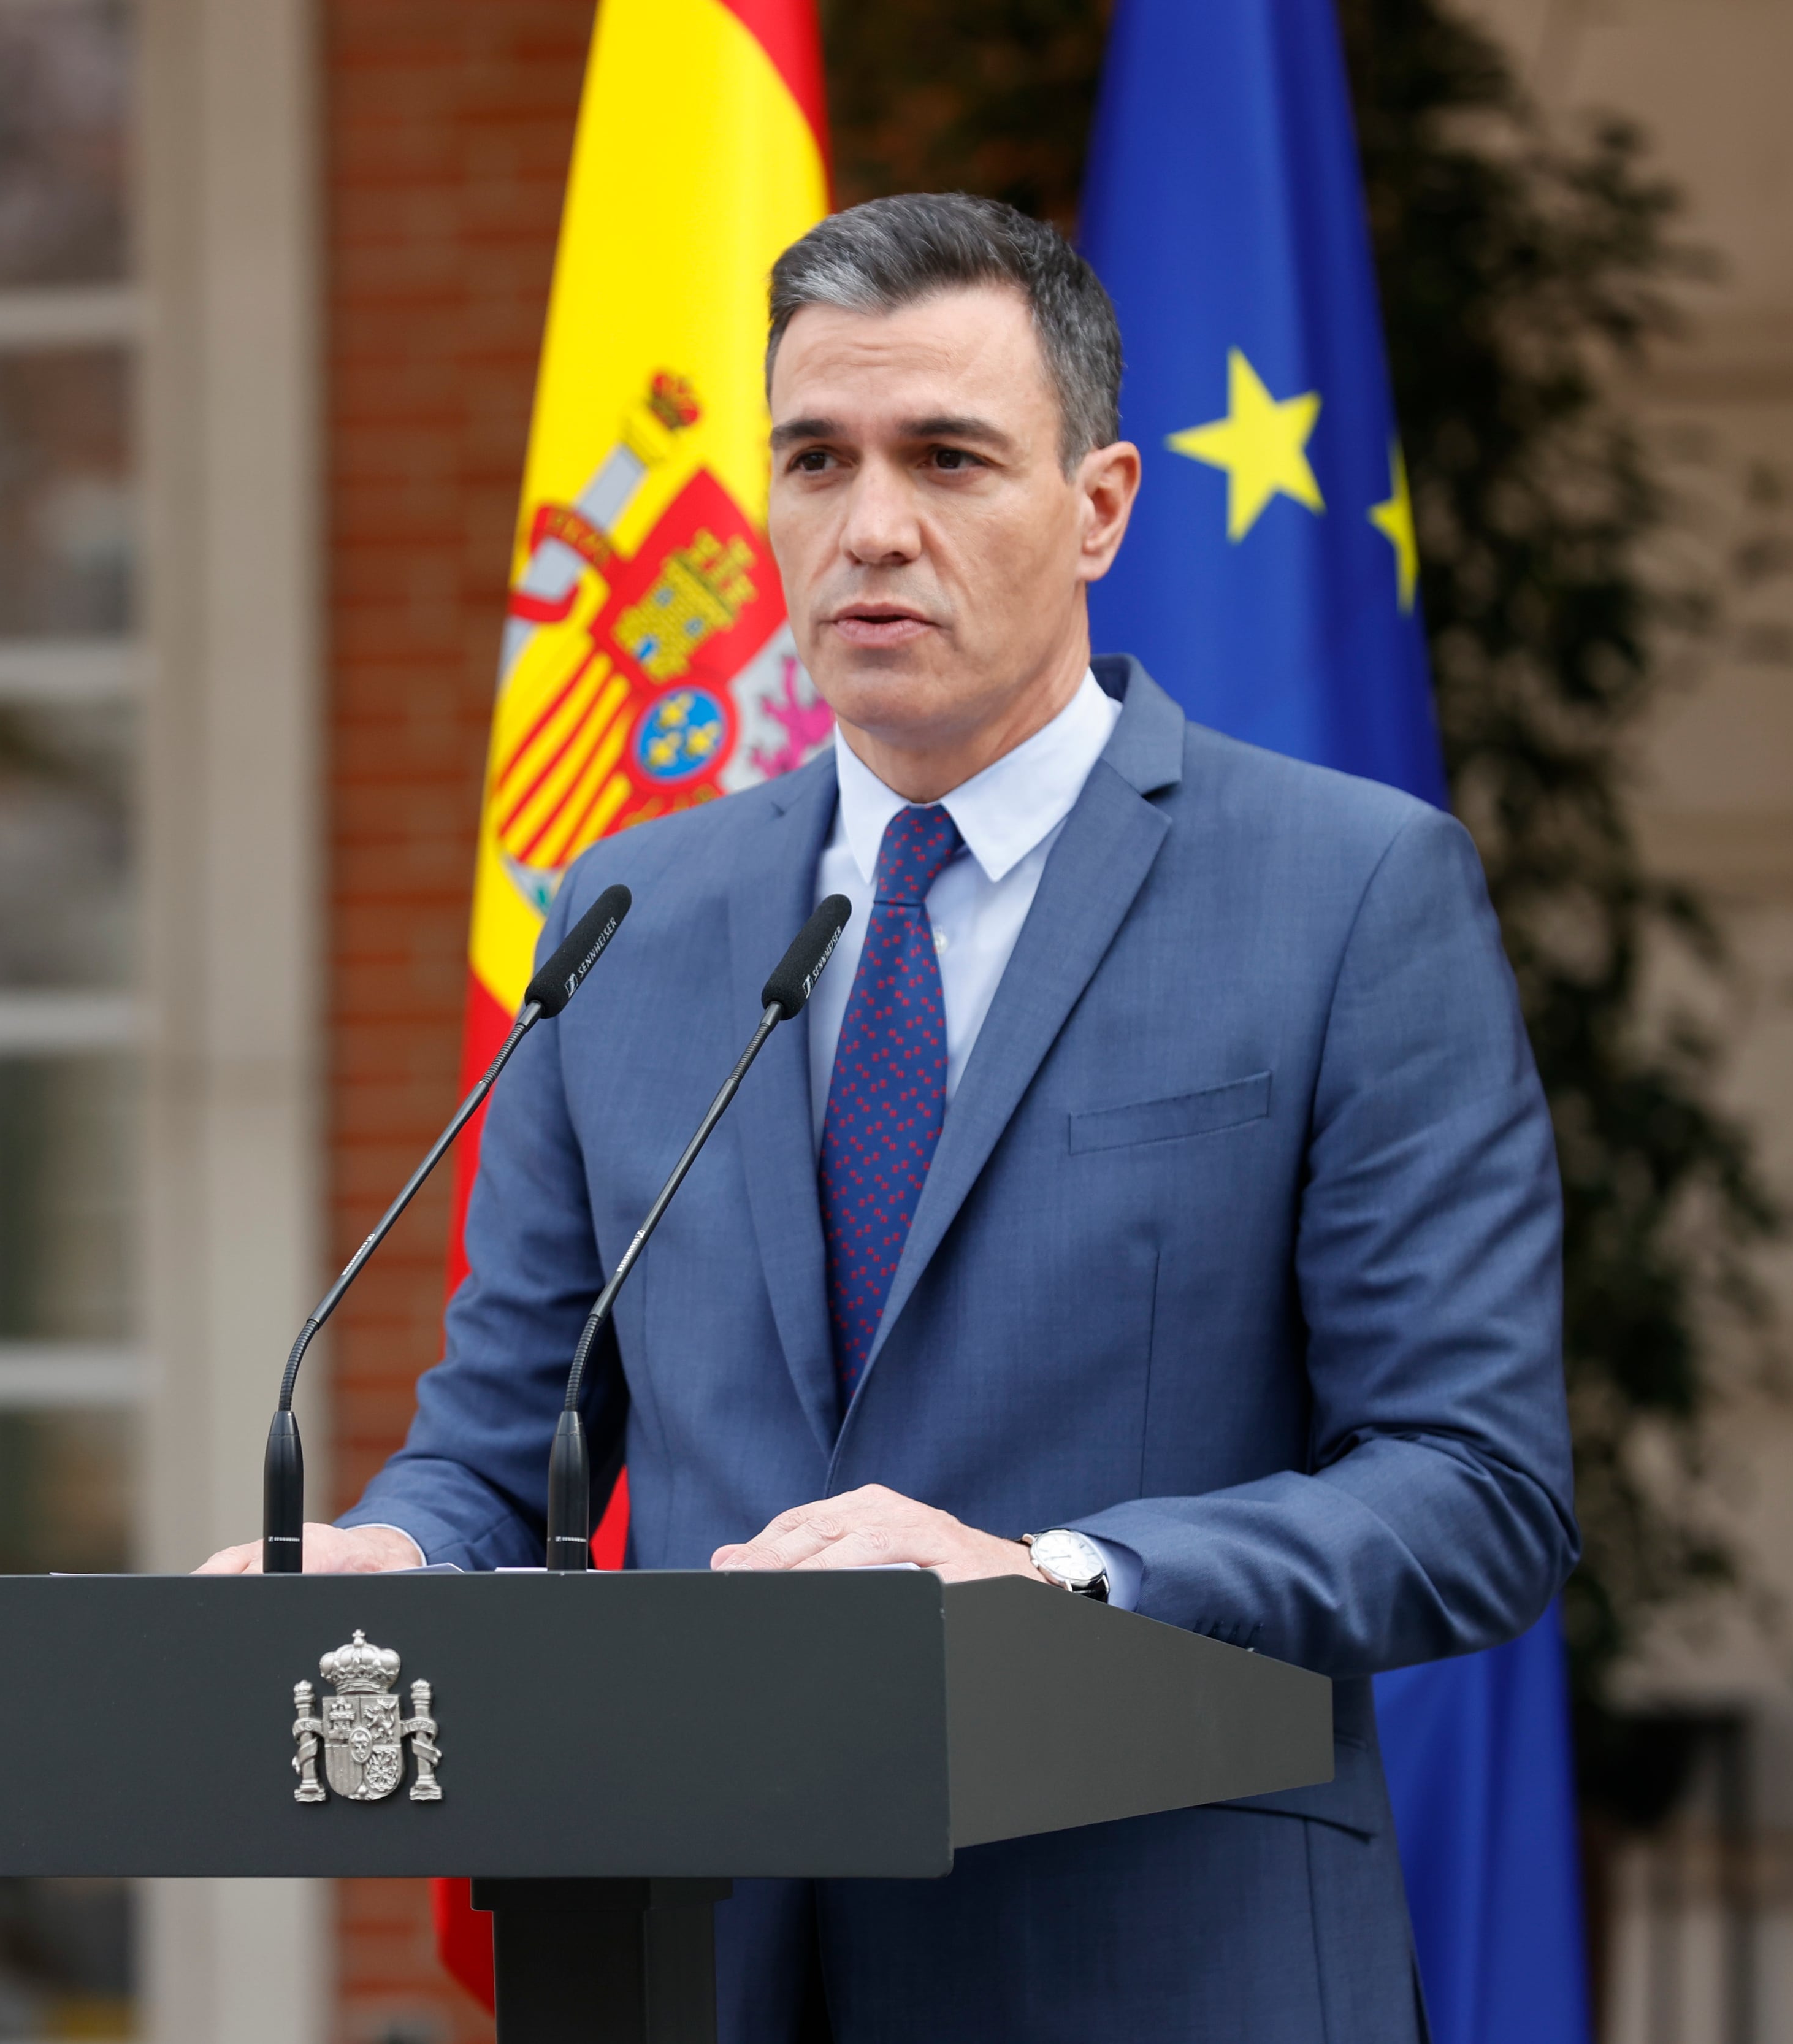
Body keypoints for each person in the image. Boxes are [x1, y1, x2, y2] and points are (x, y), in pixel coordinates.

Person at [197, 193, 1575, 2041]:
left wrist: (1053, 1580)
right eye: (817, 461)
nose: (872, 530)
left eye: (947, 458)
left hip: (1159, 1966)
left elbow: (1476, 1492)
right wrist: (400, 1552)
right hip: (700, 1958)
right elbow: (506, 1445)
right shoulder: (625, 917)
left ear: (1100, 507)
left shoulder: (1347, 893)